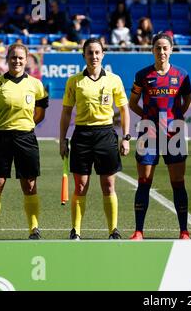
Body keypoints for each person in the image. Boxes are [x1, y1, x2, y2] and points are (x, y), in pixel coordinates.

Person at [59, 38, 130, 240]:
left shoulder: (114, 80)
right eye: (90, 53)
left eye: (98, 52)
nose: (94, 56)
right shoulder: (74, 81)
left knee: (108, 185)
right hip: (81, 135)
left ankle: (113, 230)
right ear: (84, 56)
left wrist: (126, 137)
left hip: (106, 135)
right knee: (81, 186)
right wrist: (63, 139)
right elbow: (65, 113)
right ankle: (76, 230)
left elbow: (124, 110)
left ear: (103, 54)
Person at [128, 32, 191, 240]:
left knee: (178, 181)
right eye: (158, 48)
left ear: (171, 50)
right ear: (152, 50)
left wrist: (176, 117)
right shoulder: (142, 75)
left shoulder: (182, 76)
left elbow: (187, 100)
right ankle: (139, 231)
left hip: (174, 133)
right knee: (144, 179)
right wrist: (148, 117)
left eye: (165, 48)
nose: (162, 52)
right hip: (149, 133)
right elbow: (132, 103)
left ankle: (184, 231)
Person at [0, 43, 49, 240]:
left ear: (26, 60)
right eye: (13, 57)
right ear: (7, 59)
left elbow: (40, 114)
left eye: (20, 58)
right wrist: (2, 125)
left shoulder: (36, 85)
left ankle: (33, 229)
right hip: (1, 138)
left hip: (26, 138)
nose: (17, 61)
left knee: (29, 184)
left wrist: (26, 126)